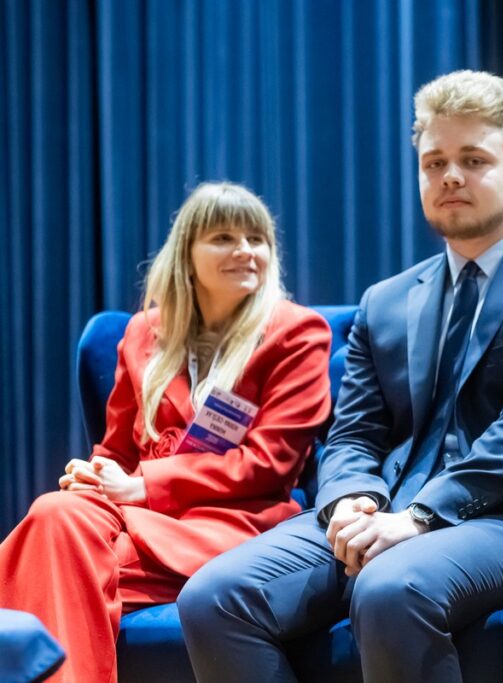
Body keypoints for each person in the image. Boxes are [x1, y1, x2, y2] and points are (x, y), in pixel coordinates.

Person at [177, 70, 503, 682]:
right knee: (213, 597)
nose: (449, 176)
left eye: (472, 159)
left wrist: (421, 517)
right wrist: (352, 498)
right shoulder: (386, 300)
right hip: (390, 507)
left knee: (387, 588)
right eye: (434, 163)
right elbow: (353, 432)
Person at [0, 182, 333, 683]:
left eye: (257, 239)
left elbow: (270, 464)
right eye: (223, 237)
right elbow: (115, 448)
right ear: (187, 255)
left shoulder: (295, 332)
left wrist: (143, 485)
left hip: (234, 518)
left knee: (51, 558)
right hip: (135, 513)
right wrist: (93, 474)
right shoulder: (142, 333)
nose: (245, 250)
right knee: (57, 509)